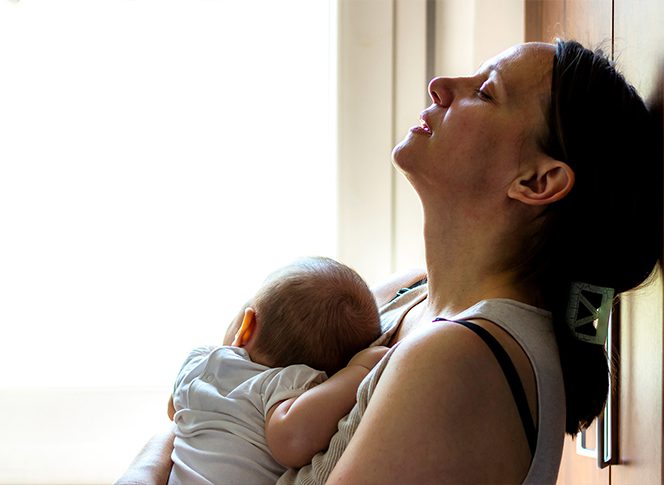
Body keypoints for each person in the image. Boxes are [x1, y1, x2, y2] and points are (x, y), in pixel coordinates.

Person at [116, 39, 662, 484]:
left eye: (486, 91)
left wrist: (143, 471)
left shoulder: (458, 358)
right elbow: (222, 395)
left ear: (537, 181)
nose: (443, 86)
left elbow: (203, 415)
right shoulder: (414, 295)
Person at [166, 256, 387, 485]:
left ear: (246, 326)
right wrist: (359, 370)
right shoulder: (285, 386)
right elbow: (292, 443)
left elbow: (174, 409)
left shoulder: (200, 360)